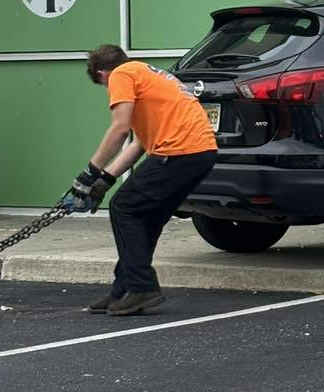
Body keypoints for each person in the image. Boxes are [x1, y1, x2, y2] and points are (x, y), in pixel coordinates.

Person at [71, 45, 217, 316]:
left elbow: (120, 128)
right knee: (145, 217)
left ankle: (142, 287)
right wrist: (106, 178)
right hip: (199, 152)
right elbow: (139, 143)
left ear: (102, 73)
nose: (109, 92)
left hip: (180, 152)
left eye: (104, 85)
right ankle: (124, 289)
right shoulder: (149, 75)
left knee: (123, 208)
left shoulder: (122, 74)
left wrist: (89, 172)